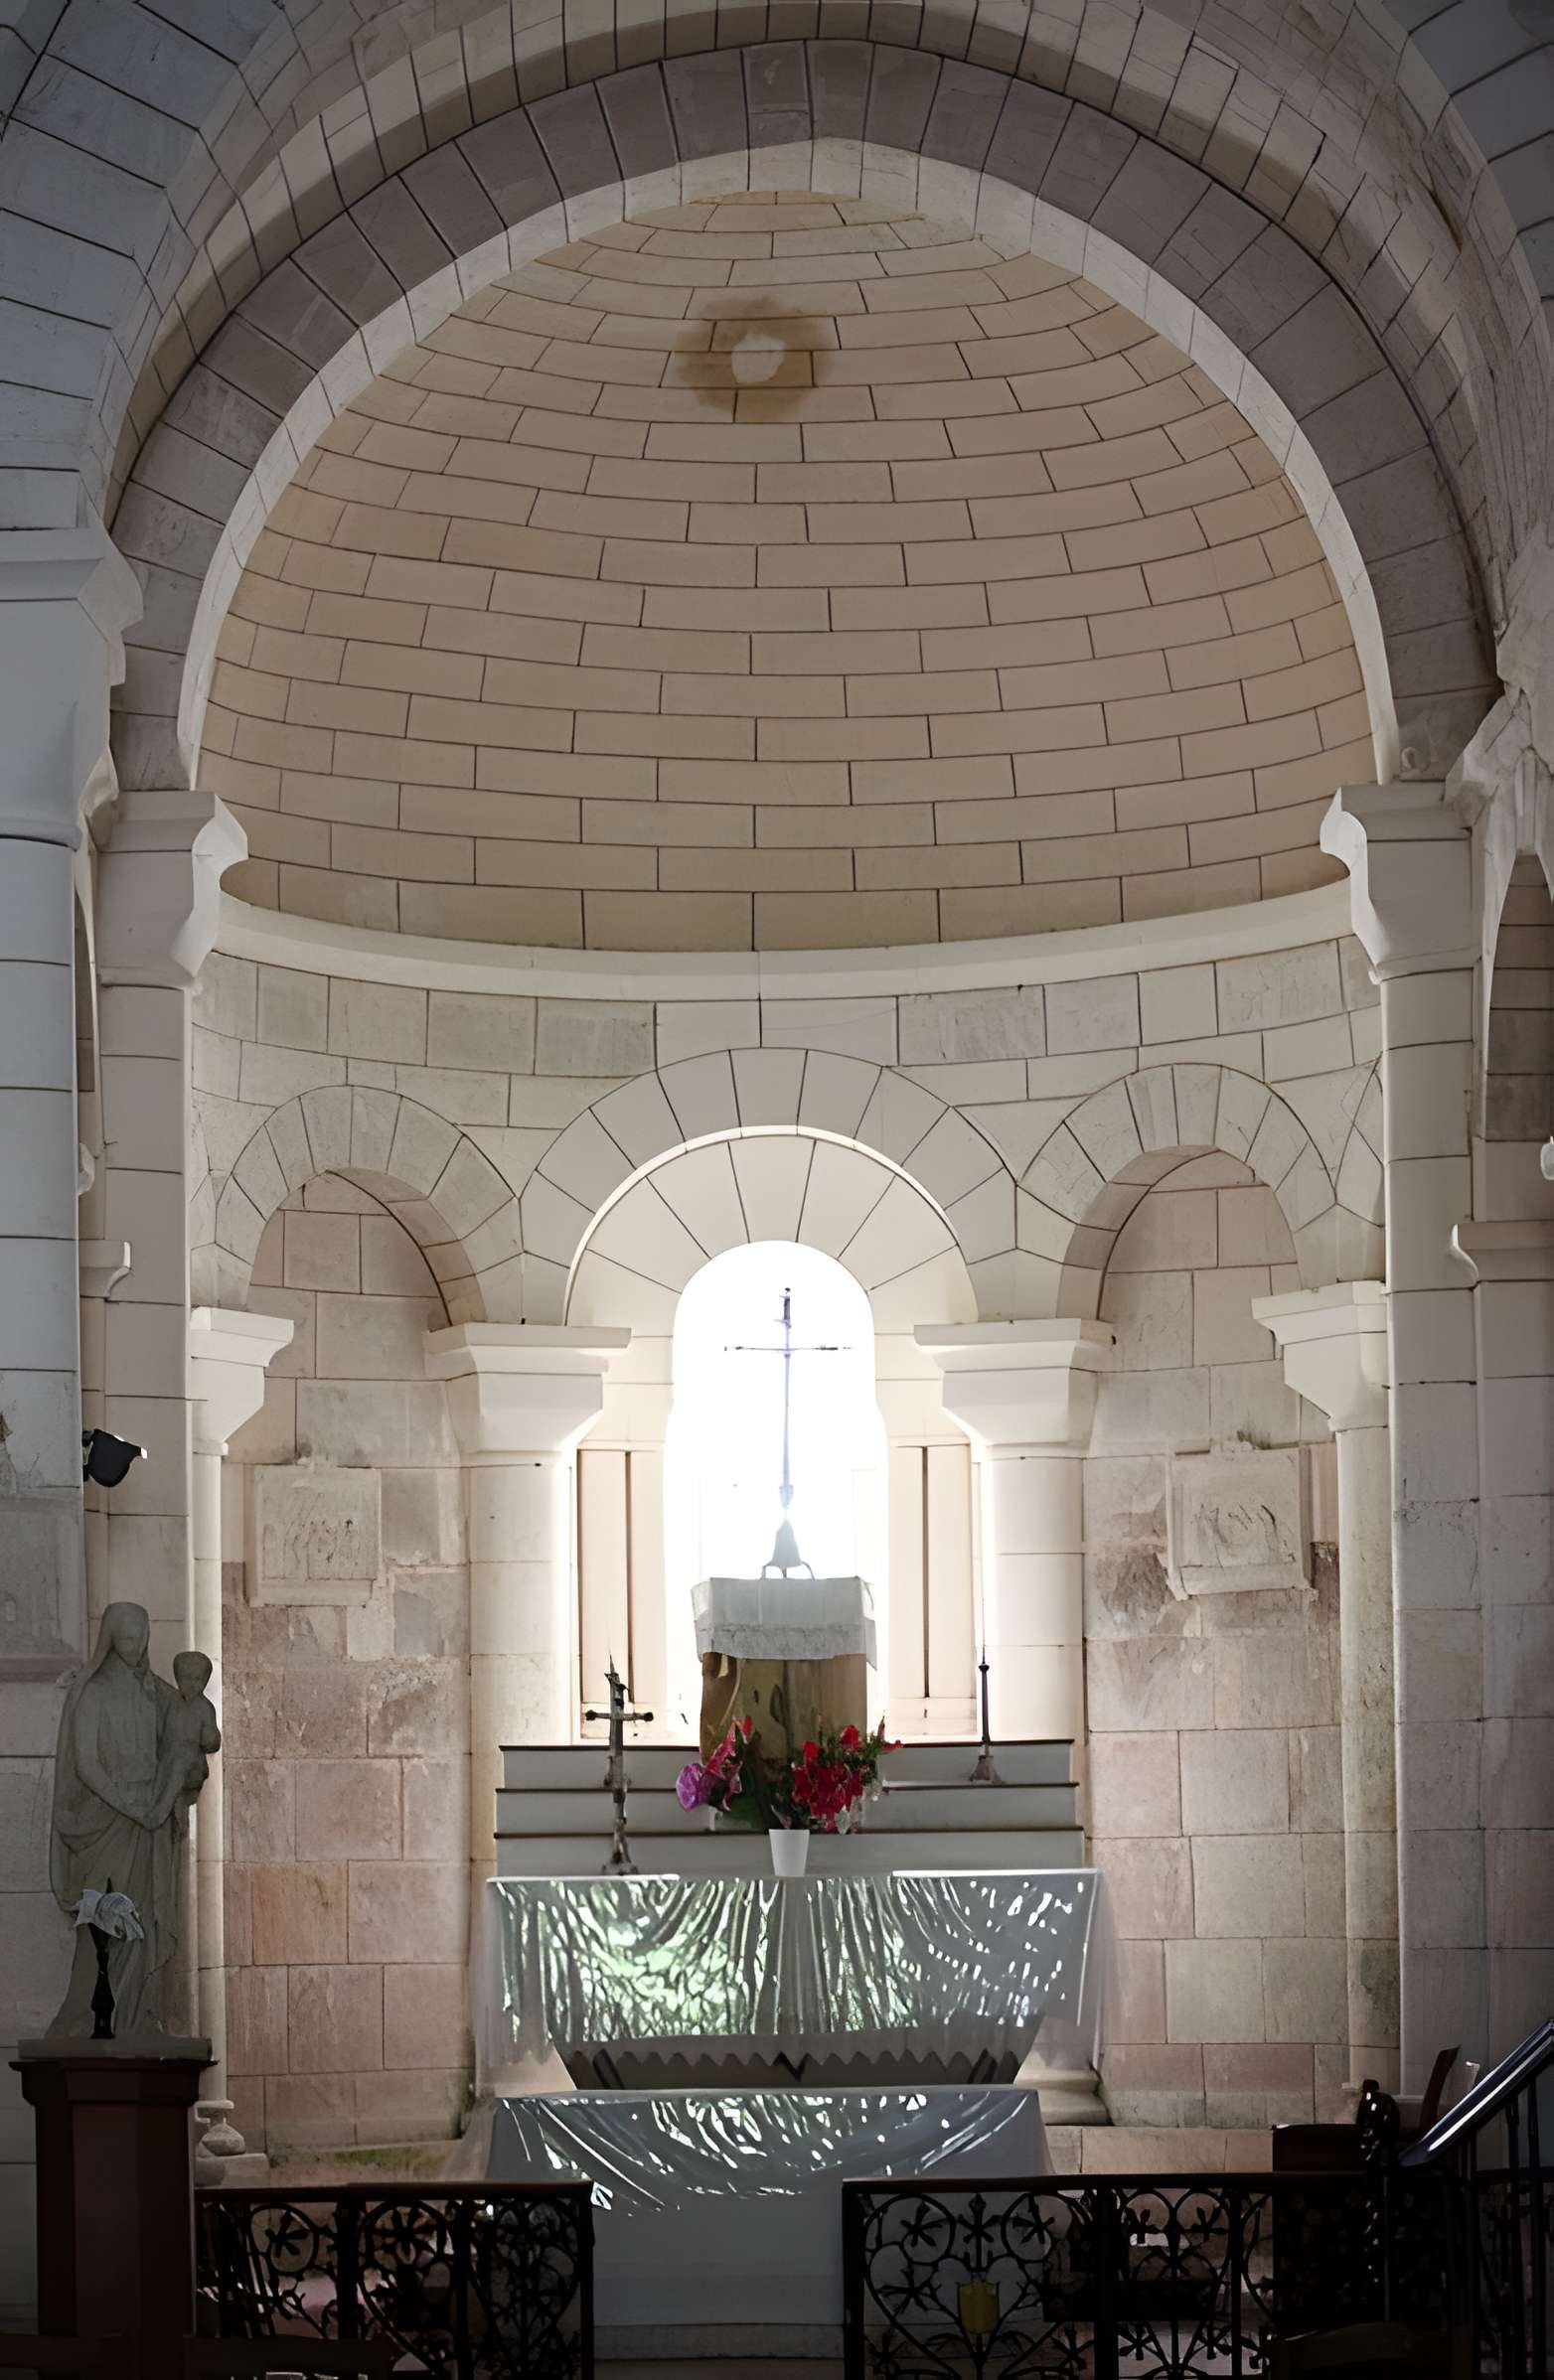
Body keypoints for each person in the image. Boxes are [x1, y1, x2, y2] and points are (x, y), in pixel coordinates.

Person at [48, 1603, 180, 2037]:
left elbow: (179, 1744)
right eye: (126, 1637)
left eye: (141, 1636)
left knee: (145, 1917)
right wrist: (129, 1805)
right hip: (107, 1823)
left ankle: (137, 2014)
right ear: (109, 1639)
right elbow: (86, 1763)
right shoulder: (94, 1692)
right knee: (103, 1920)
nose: (136, 1645)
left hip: (148, 1824)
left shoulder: (156, 1693)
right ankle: (85, 2018)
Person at [154, 1649, 221, 1839]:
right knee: (169, 1767)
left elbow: (212, 1741)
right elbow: (158, 1686)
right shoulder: (173, 1701)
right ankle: (172, 1809)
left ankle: (161, 1811)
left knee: (180, 1764)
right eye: (186, 1678)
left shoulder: (204, 1707)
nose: (191, 1684)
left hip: (192, 1764)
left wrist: (210, 1737)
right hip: (169, 1761)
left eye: (197, 1679)